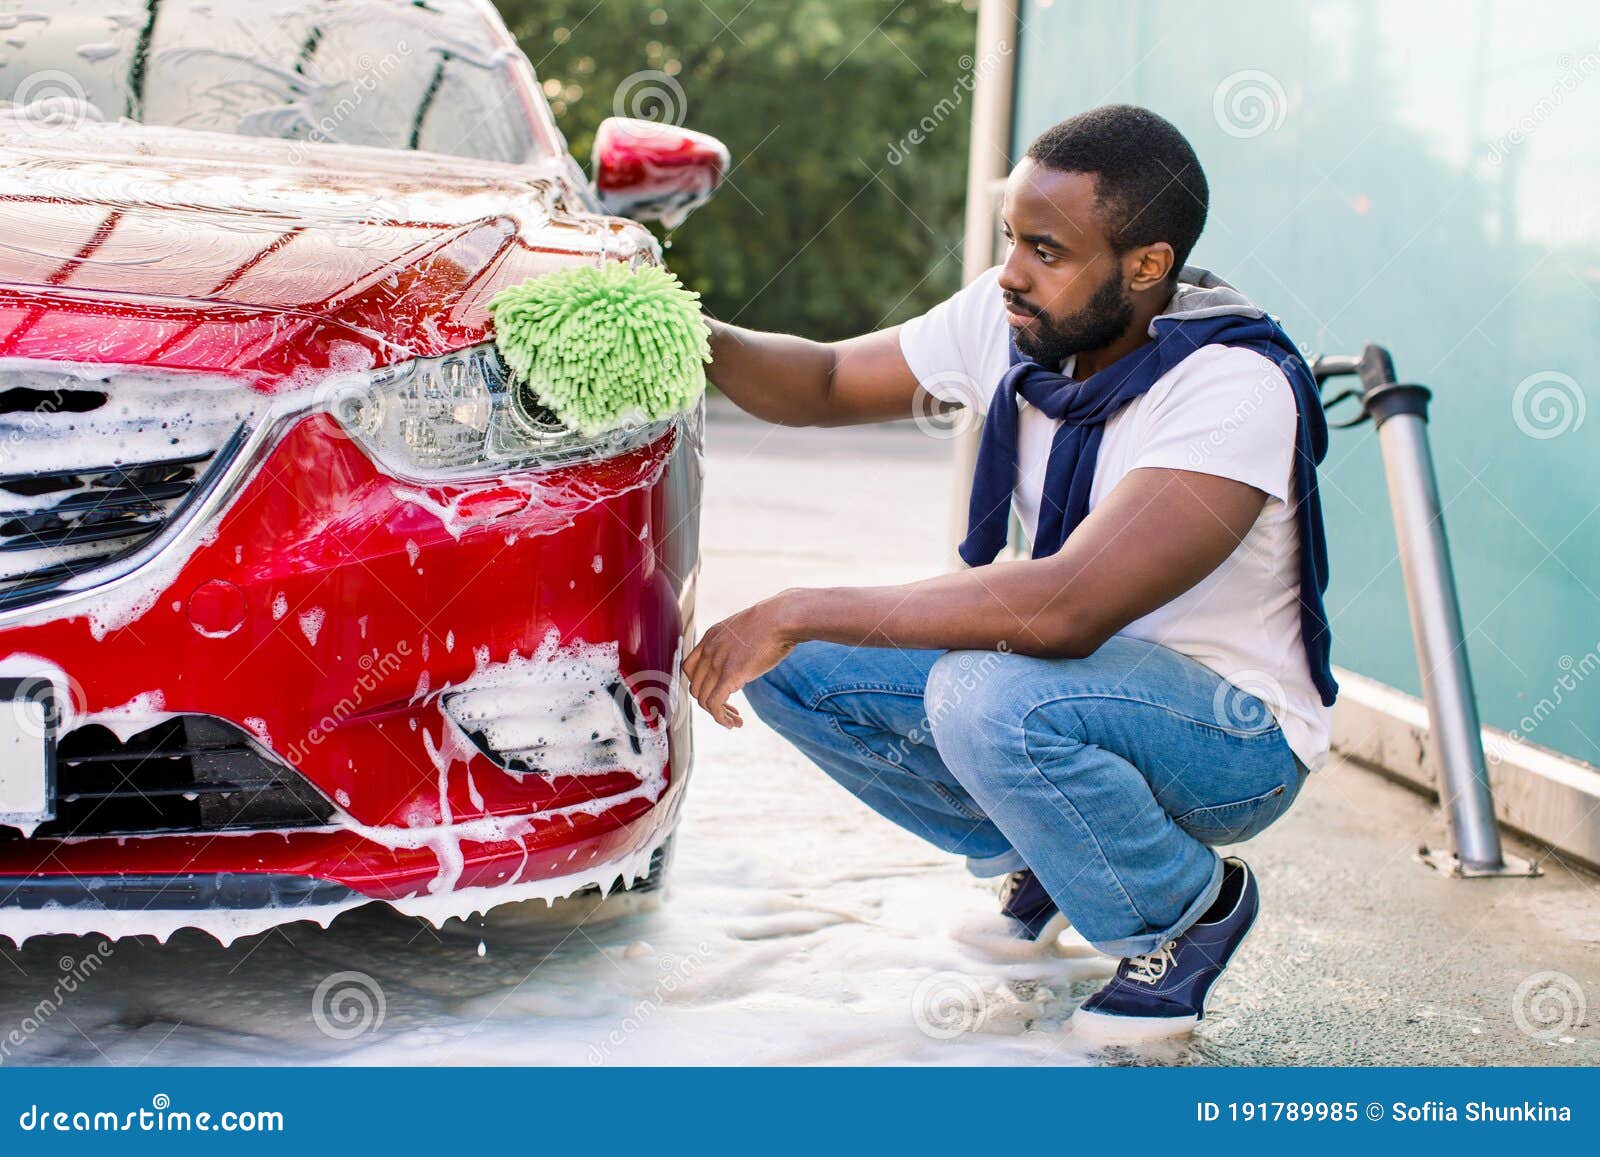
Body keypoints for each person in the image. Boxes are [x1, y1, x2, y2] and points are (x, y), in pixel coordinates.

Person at [682, 104, 1336, 1039]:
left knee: (986, 693)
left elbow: (1067, 607)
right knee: (796, 658)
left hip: (1232, 738)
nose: (1013, 273)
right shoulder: (1019, 312)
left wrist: (794, 602)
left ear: (1147, 266)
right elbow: (822, 381)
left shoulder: (1232, 386)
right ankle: (1054, 851)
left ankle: (1185, 912)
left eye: (1048, 250)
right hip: (1076, 689)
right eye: (1009, 239)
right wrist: (669, 325)